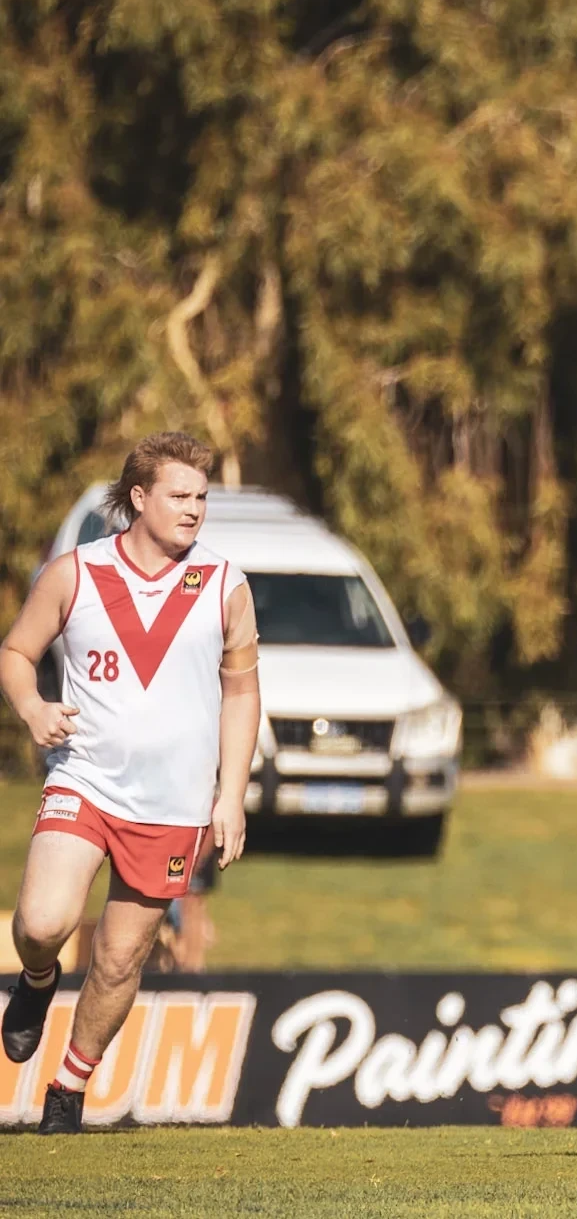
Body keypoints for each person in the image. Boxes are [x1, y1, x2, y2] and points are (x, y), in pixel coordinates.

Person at [1, 432, 260, 1133]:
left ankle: (68, 1088)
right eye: (180, 494)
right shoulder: (74, 573)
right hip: (85, 780)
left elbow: (241, 694)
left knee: (120, 958)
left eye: (202, 496)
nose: (194, 508)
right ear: (138, 497)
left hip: (173, 806)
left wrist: (229, 795)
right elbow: (17, 652)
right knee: (44, 922)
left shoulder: (227, 587)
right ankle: (37, 978)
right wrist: (31, 707)